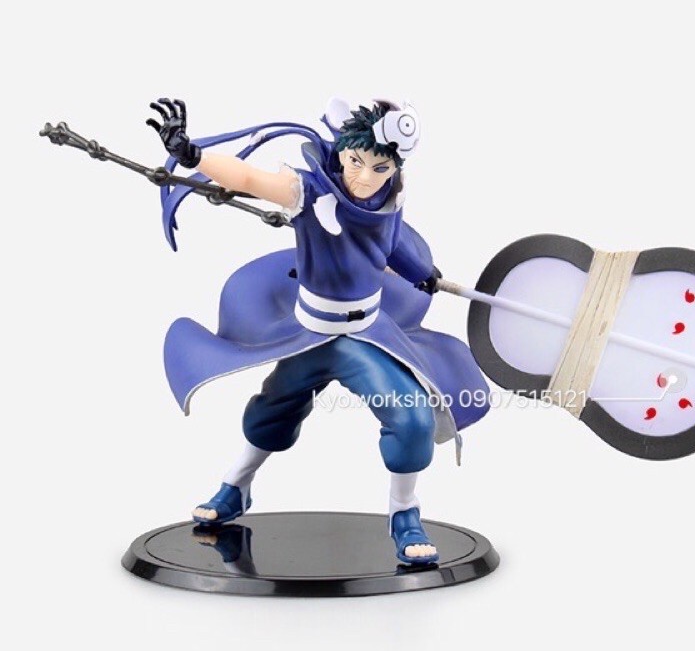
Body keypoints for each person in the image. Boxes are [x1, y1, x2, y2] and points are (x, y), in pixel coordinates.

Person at [147, 96, 489, 565]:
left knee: (412, 417)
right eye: (356, 162)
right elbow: (248, 179)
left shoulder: (391, 198)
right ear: (342, 153)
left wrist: (422, 273)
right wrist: (193, 156)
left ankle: (404, 514)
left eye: (379, 167)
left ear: (394, 167)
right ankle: (236, 486)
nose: (364, 177)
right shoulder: (308, 191)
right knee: (272, 409)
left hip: (366, 337)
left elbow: (390, 245)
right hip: (308, 333)